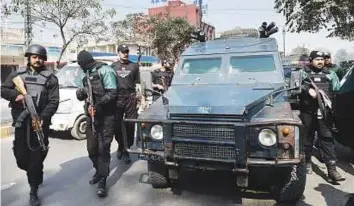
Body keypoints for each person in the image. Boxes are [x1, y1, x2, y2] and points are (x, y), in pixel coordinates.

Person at [0, 44, 59, 206]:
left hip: (39, 123)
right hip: (20, 121)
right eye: (34, 57)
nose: (38, 59)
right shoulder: (17, 74)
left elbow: (54, 101)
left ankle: (33, 190)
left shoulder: (50, 78)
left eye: (40, 57)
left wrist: (43, 117)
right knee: (21, 159)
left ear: (44, 59)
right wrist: (16, 96)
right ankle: (35, 172)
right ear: (29, 57)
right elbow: (3, 90)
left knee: (36, 155)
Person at [298, 51, 345, 182]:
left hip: (325, 112)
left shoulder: (331, 74)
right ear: (311, 60)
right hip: (308, 112)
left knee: (327, 138)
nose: (320, 61)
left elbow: (336, 90)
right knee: (307, 138)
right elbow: (295, 87)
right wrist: (307, 89)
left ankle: (332, 169)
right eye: (317, 59)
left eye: (322, 59)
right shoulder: (303, 73)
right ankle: (307, 162)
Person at [75, 50, 118, 197]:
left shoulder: (105, 70)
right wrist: (80, 94)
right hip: (91, 115)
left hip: (106, 116)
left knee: (103, 149)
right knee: (91, 148)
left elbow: (113, 92)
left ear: (87, 62)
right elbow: (80, 92)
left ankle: (103, 180)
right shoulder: (82, 73)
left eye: (81, 64)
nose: (80, 66)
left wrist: (100, 104)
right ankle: (99, 171)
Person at [111, 44, 146, 164]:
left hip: (131, 98)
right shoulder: (113, 66)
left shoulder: (134, 66)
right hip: (117, 98)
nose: (125, 54)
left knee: (131, 124)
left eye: (126, 51)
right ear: (118, 53)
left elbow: (138, 83)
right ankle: (121, 145)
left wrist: (142, 99)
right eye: (122, 52)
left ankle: (127, 150)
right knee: (116, 125)